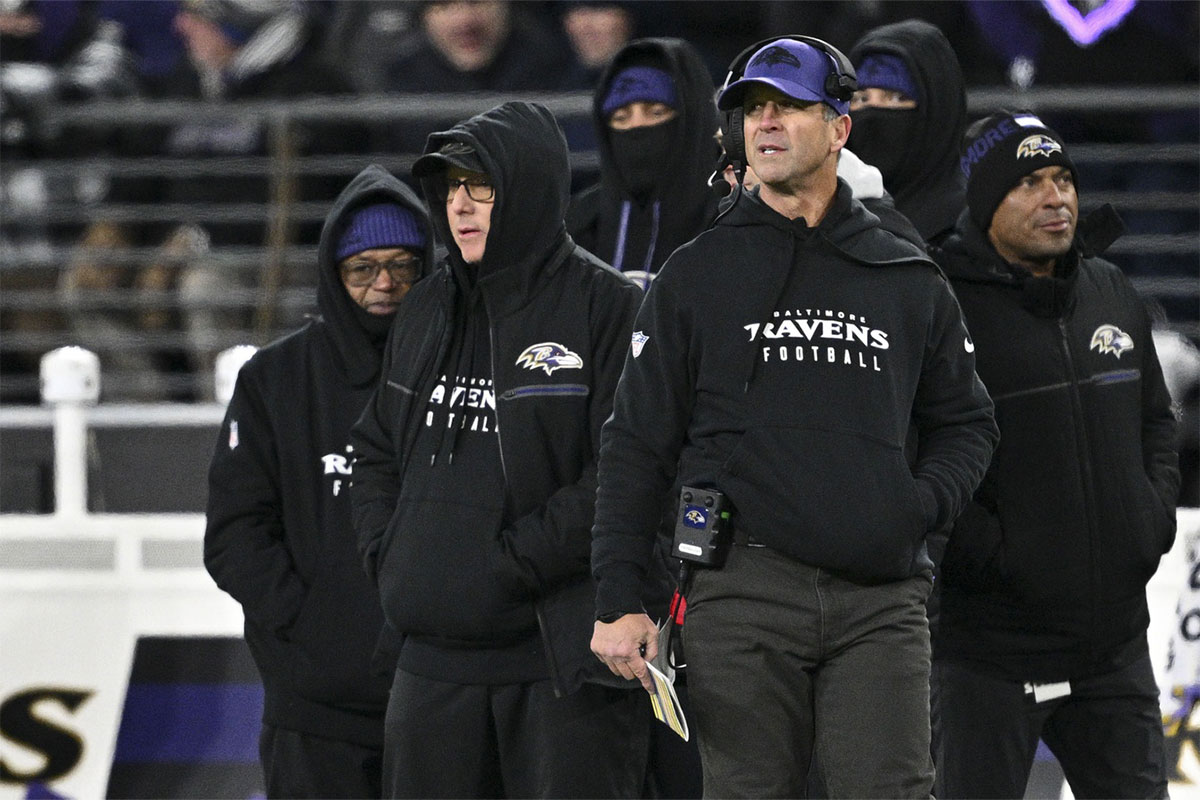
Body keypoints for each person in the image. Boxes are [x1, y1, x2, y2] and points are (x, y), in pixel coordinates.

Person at [589, 37, 998, 797]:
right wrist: (617, 597)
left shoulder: (906, 273)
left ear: (840, 127)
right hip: (741, 592)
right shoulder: (695, 273)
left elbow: (968, 423)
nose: (765, 123)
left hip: (880, 598)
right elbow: (635, 443)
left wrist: (916, 508)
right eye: (752, 109)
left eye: (787, 106)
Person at [350, 101, 665, 799]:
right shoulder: (428, 306)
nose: (460, 204)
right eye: (450, 187)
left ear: (527, 187)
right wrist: (391, 550)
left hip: (556, 666)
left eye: (480, 185)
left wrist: (509, 563)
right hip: (429, 668)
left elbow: (626, 472)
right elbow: (374, 448)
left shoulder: (606, 307)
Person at [930, 111, 1181, 798]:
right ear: (985, 204)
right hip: (989, 657)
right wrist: (1000, 559)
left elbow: (1157, 423)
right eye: (1031, 182)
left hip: (1113, 652)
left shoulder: (1113, 291)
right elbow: (915, 457)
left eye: (1063, 178)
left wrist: (1149, 519)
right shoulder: (941, 307)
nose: (1056, 197)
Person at [204, 164, 431, 797]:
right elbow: (234, 535)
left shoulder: (463, 368)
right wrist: (310, 627)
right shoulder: (275, 381)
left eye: (402, 266)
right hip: (313, 713)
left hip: (441, 700)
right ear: (335, 275)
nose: (384, 284)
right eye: (363, 269)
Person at [567, 37, 720, 288]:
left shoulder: (732, 217)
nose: (636, 126)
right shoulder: (580, 224)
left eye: (656, 112)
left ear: (692, 120)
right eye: (620, 117)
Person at [847, 18, 968, 246]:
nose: (872, 114)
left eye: (896, 97)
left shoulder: (981, 230)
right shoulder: (829, 219)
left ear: (939, 107)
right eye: (860, 99)